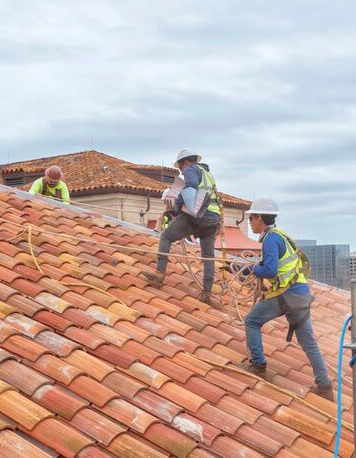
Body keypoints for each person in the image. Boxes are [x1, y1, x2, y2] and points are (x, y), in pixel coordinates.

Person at [236, 198, 332, 399]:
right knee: (308, 341)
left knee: (252, 321)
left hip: (288, 295)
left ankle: (258, 365)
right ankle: (324, 386)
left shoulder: (271, 239)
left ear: (260, 218)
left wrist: (251, 268)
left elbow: (269, 270)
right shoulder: (281, 236)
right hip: (300, 293)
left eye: (251, 218)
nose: (250, 222)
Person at [142, 149, 220, 303]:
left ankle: (159, 274)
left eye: (180, 169)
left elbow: (190, 186)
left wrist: (176, 206)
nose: (182, 172)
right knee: (208, 257)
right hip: (213, 219)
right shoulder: (207, 174)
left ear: (184, 163)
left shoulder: (191, 169)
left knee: (166, 236)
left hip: (198, 215)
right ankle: (206, 293)